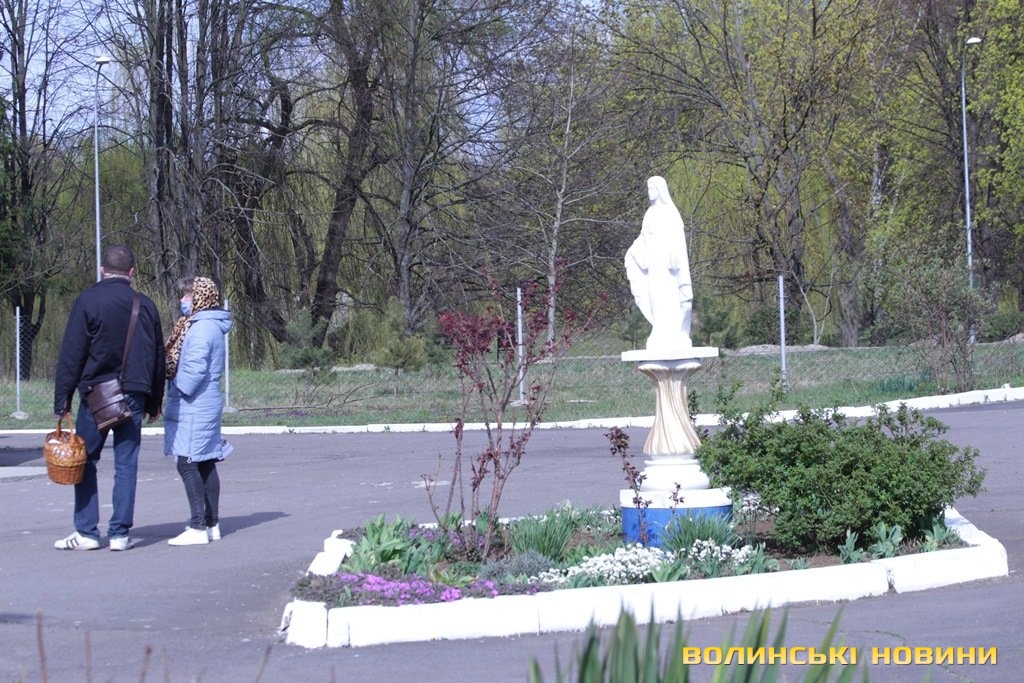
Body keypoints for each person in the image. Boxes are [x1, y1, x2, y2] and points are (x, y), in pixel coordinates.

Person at [53, 245, 166, 551]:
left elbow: (72, 354)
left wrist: (62, 400)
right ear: (132, 272)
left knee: (85, 460)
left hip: (97, 396)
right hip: (135, 394)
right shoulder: (146, 305)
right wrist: (155, 400)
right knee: (126, 463)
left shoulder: (88, 301)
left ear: (103, 270)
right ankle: (120, 534)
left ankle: (87, 533)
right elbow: (157, 356)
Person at [163, 276, 233, 546]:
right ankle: (212, 523)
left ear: (200, 297)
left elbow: (194, 370)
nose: (182, 300)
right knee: (205, 461)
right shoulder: (209, 324)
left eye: (187, 295)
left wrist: (178, 388)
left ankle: (197, 526)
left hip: (195, 404)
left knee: (188, 461)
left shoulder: (201, 328)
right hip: (205, 401)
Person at [624, 176, 694, 352]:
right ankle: (659, 329)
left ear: (660, 190)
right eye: (648, 189)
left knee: (668, 295)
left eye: (653, 189)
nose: (650, 193)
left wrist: (674, 256)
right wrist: (634, 253)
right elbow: (644, 237)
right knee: (654, 295)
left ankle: (672, 331)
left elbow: (677, 237)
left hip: (667, 265)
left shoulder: (670, 212)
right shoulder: (649, 213)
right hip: (653, 262)